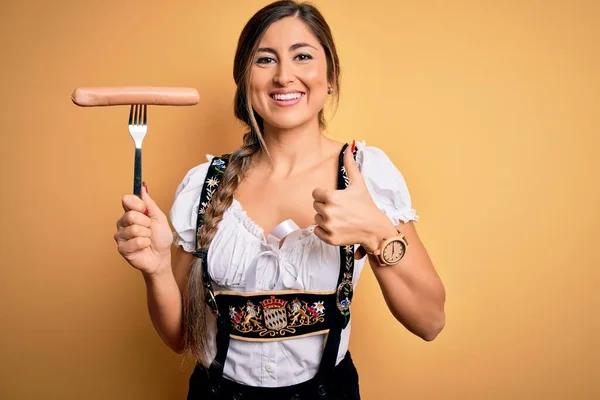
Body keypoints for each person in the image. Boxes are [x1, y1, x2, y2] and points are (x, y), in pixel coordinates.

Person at [114, 1, 446, 399]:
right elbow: (181, 338)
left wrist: (376, 232)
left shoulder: (364, 173)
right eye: (265, 60)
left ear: (331, 77)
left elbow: (430, 322)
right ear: (245, 80)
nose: (284, 76)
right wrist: (155, 271)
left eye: (302, 56)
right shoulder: (204, 184)